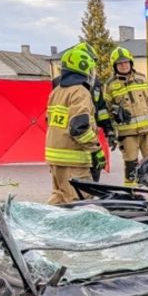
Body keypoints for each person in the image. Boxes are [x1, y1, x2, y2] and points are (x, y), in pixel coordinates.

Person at [45, 44, 102, 204]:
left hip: (56, 159)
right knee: (80, 203)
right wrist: (96, 149)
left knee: (59, 199)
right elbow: (79, 128)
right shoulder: (80, 91)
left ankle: (44, 227)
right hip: (74, 160)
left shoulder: (56, 92)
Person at [103, 46, 148, 183]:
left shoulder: (142, 79)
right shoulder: (110, 85)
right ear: (115, 66)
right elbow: (106, 111)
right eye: (120, 63)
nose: (124, 66)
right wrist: (111, 132)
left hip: (147, 131)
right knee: (131, 167)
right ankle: (131, 194)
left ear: (131, 62)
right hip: (127, 134)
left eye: (126, 62)